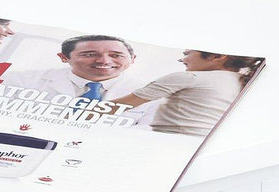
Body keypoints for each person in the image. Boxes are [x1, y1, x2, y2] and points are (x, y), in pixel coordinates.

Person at [112, 50, 263, 136]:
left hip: (171, 143)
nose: (181, 59)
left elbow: (113, 108)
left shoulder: (189, 77)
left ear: (217, 57)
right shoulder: (243, 81)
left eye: (187, 53)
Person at [4, 35, 142, 104]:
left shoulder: (149, 93)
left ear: (132, 58)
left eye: (116, 55)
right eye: (89, 54)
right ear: (64, 57)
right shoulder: (19, 80)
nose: (104, 61)